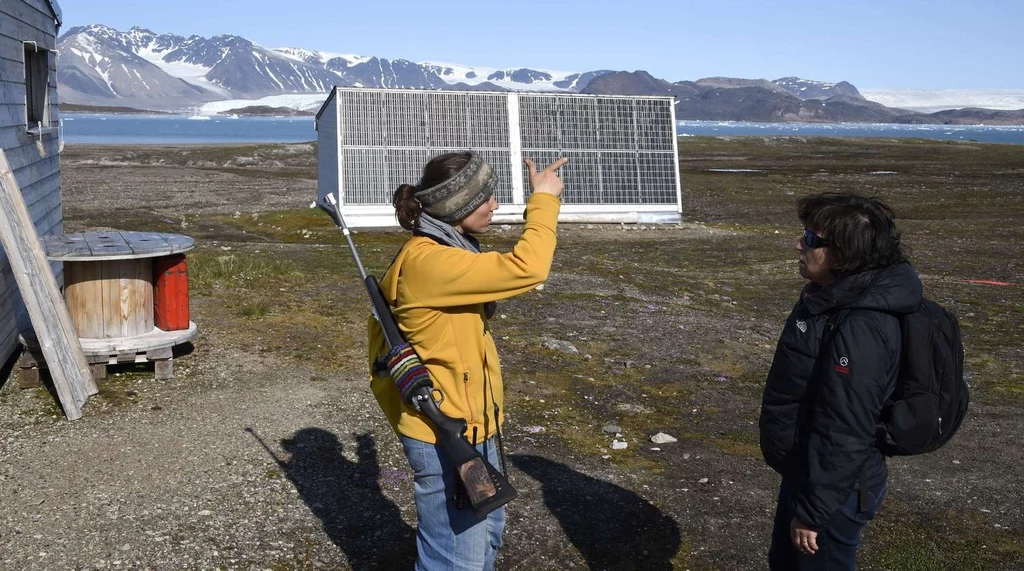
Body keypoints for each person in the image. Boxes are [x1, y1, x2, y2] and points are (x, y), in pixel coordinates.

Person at [368, 151, 567, 570]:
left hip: (472, 425)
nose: (495, 205)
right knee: (455, 559)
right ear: (458, 205)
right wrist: (544, 200)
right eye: (487, 197)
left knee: (485, 539)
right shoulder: (432, 262)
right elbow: (529, 268)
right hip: (445, 430)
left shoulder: (447, 248)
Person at [759, 192, 923, 570]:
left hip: (836, 489)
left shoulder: (861, 324)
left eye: (812, 240)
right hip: (811, 474)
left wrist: (814, 511)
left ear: (845, 253)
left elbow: (846, 426)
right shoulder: (829, 300)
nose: (799, 244)